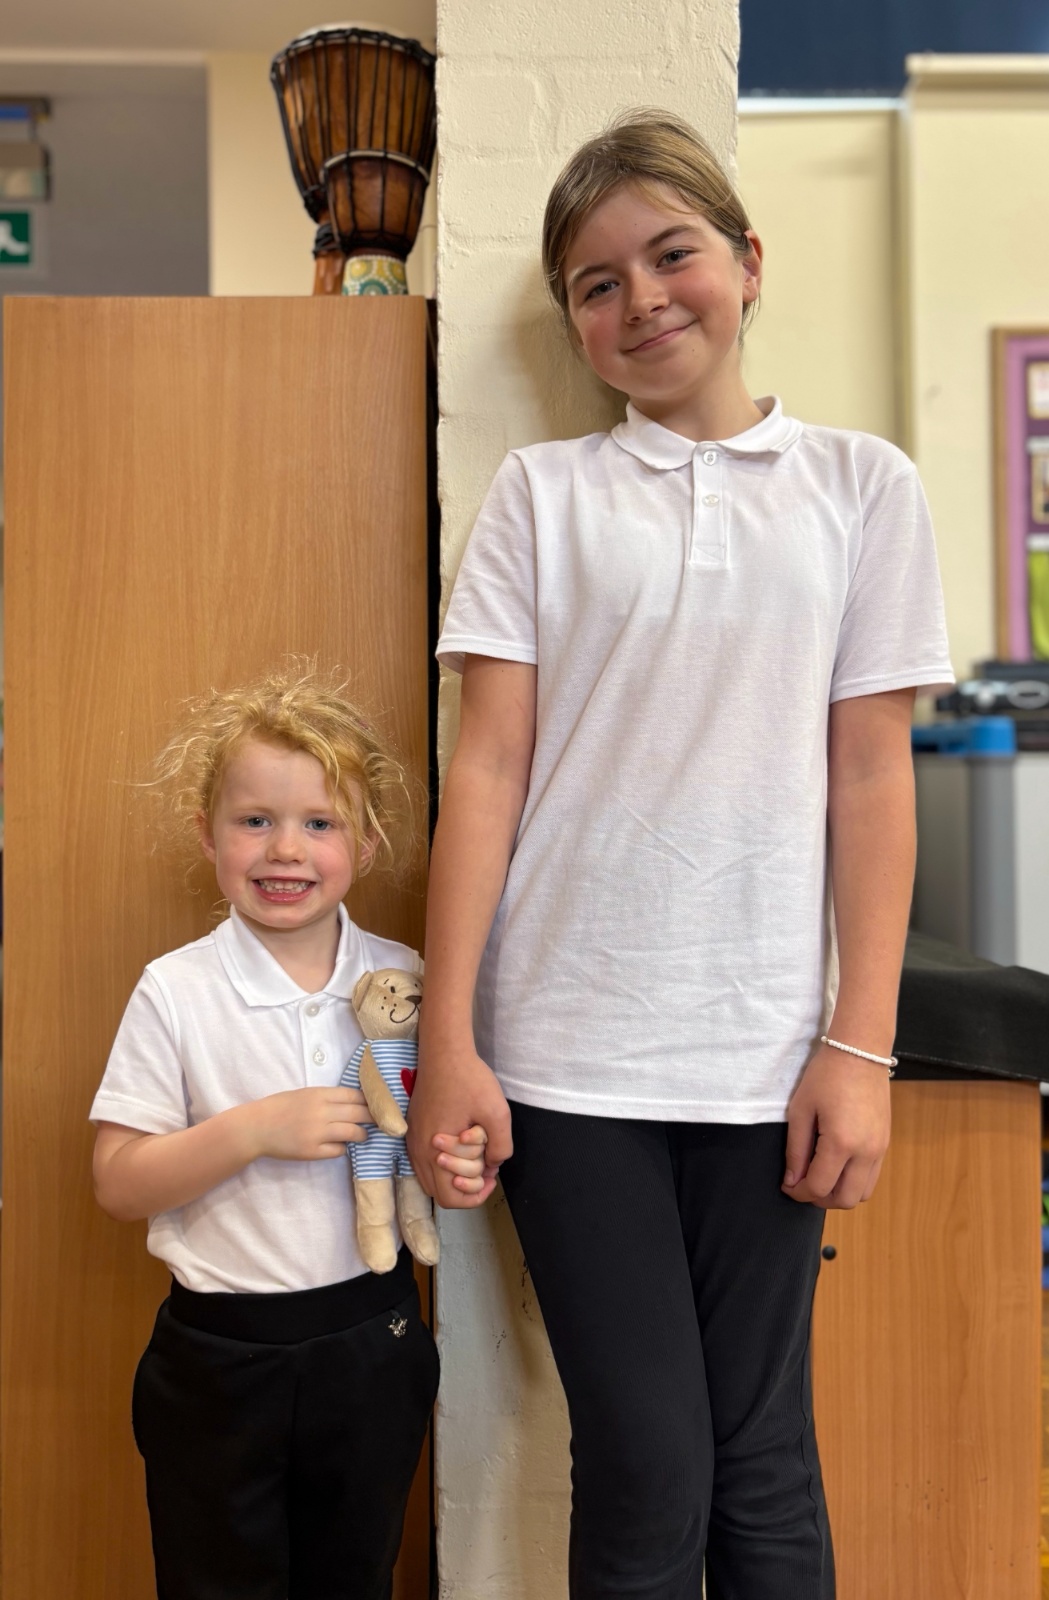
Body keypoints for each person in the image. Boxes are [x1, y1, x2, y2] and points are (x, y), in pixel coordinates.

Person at [408, 110, 954, 1599]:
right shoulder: (540, 498)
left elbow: (870, 779)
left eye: (671, 255)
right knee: (649, 1462)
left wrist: (859, 1046)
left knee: (761, 1460)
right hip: (564, 1058)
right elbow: (486, 773)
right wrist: (449, 1044)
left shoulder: (862, 489)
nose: (641, 300)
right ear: (573, 324)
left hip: (767, 1056)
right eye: (596, 284)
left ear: (746, 263)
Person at [91, 667, 487, 1600]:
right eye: (254, 820)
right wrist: (252, 1129)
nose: (285, 849)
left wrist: (460, 1166)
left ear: (367, 841)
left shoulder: (406, 979)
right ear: (208, 833)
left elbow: (435, 1145)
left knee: (354, 1576)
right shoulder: (176, 990)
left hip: (373, 1340)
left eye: (319, 823)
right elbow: (117, 1180)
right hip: (216, 1358)